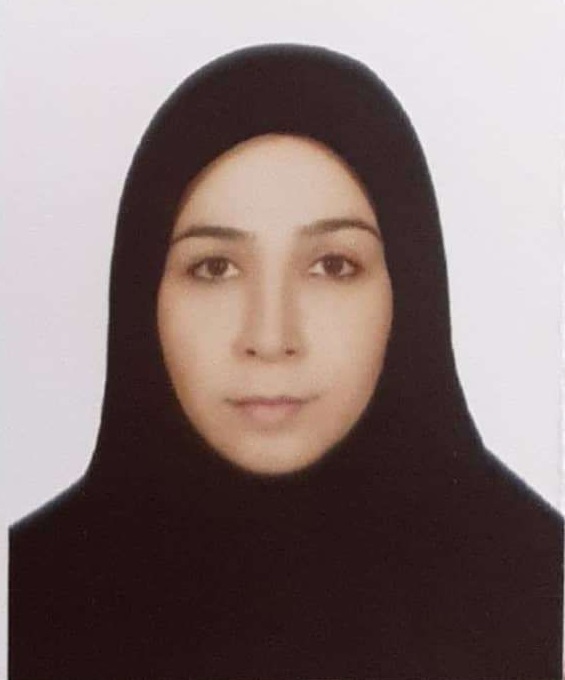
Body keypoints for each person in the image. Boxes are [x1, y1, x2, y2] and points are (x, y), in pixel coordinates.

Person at [10, 44, 562, 679]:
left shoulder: (543, 586)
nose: (270, 337)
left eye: (333, 266)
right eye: (214, 268)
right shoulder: (25, 593)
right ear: (141, 295)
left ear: (411, 291)